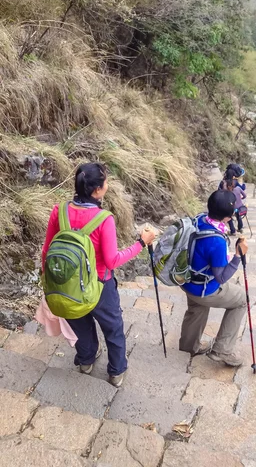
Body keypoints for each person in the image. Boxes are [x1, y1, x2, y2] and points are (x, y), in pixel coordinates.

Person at [42, 163, 155, 387]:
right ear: (97, 190)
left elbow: (46, 250)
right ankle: (116, 372)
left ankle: (85, 361)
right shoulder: (104, 219)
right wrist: (142, 243)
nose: (107, 184)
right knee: (112, 328)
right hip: (100, 286)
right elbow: (112, 260)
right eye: (105, 181)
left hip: (67, 285)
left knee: (80, 325)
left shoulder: (60, 210)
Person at [179, 190, 248, 367]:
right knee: (241, 300)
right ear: (228, 216)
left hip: (186, 280)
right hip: (204, 288)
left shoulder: (200, 219)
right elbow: (222, 276)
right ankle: (222, 350)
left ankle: (188, 347)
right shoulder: (216, 241)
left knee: (197, 308)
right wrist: (238, 256)